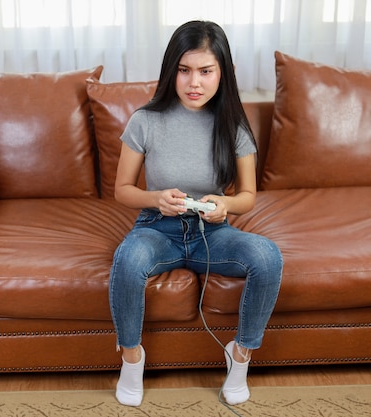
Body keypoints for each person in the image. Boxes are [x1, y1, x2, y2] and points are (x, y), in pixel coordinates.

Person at [108, 20, 283, 407]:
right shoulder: (145, 121)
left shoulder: (234, 125)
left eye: (206, 71)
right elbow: (122, 191)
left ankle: (240, 358)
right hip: (158, 228)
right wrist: (155, 199)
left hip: (212, 233)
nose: (194, 83)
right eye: (185, 70)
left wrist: (225, 205)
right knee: (128, 257)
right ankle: (132, 359)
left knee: (268, 256)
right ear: (172, 69)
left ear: (223, 73)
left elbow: (248, 196)